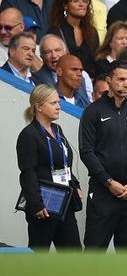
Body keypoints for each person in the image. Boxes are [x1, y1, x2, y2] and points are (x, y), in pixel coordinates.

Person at [79, 59, 127, 250]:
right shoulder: (93, 112)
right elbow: (86, 152)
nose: (126, 84)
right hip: (103, 193)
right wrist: (108, 182)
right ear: (109, 80)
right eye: (121, 79)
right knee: (94, 254)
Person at [16, 84, 82, 251]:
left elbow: (64, 163)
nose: (58, 106)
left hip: (64, 203)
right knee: (39, 255)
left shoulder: (57, 130)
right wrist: (36, 204)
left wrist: (75, 184)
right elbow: (27, 173)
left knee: (74, 256)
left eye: (58, 102)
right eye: (53, 103)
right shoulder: (29, 135)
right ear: (38, 107)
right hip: (44, 205)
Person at [47, 0, 99, 78]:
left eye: (84, 1)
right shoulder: (56, 31)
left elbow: (96, 61)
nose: (81, 4)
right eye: (76, 1)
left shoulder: (92, 31)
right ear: (65, 5)